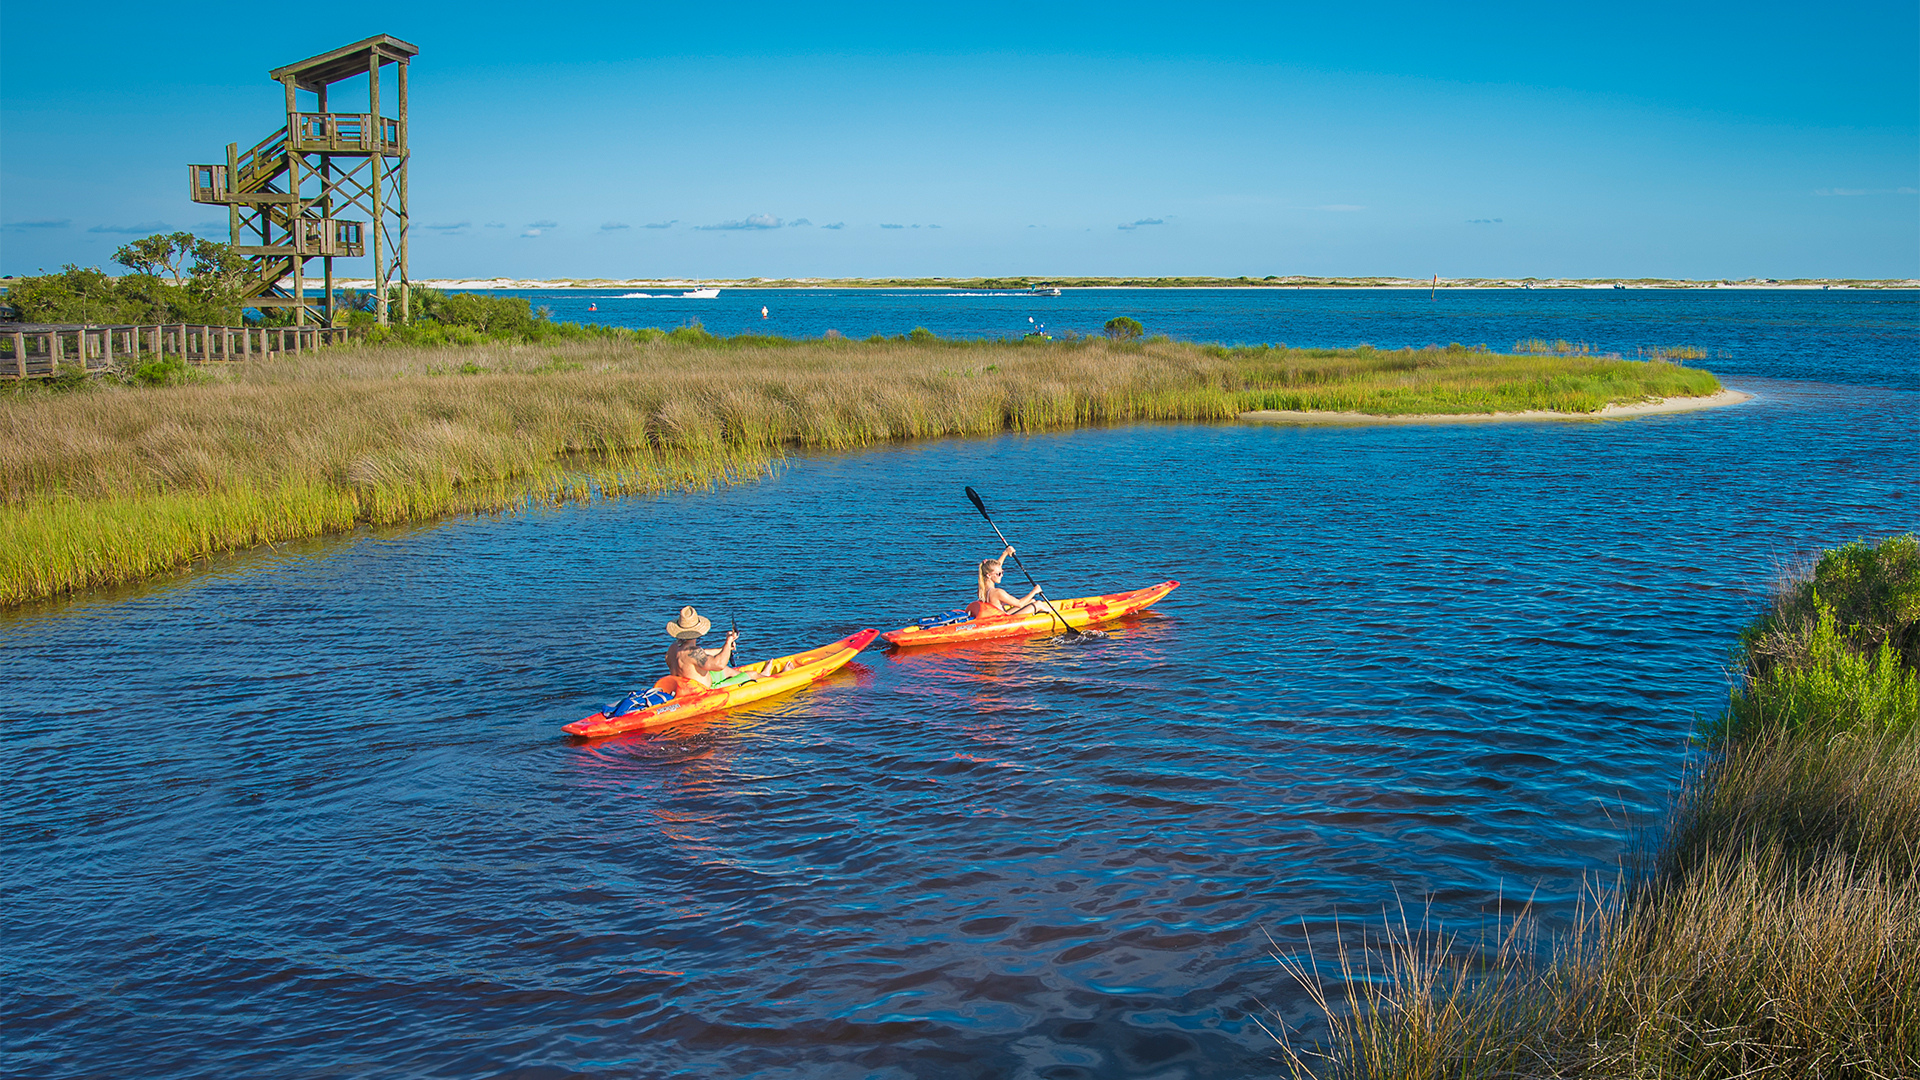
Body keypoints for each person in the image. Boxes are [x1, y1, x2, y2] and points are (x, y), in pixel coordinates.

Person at [663, 606, 784, 689]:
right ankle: (769, 678)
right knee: (751, 674)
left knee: (725, 670)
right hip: (706, 691)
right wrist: (728, 641)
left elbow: (701, 655)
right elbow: (718, 663)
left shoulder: (673, 649)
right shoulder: (694, 653)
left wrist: (724, 649)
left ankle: (762, 675)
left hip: (684, 688)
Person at [967, 547, 1043, 619]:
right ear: (989, 575)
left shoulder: (981, 589)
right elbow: (1020, 604)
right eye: (999, 574)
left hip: (999, 616)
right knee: (1038, 604)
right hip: (1004, 620)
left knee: (1032, 601)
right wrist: (1034, 591)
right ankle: (1051, 615)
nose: (1002, 575)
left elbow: (996, 567)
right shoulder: (997, 592)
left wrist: (1005, 553)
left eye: (1002, 572)